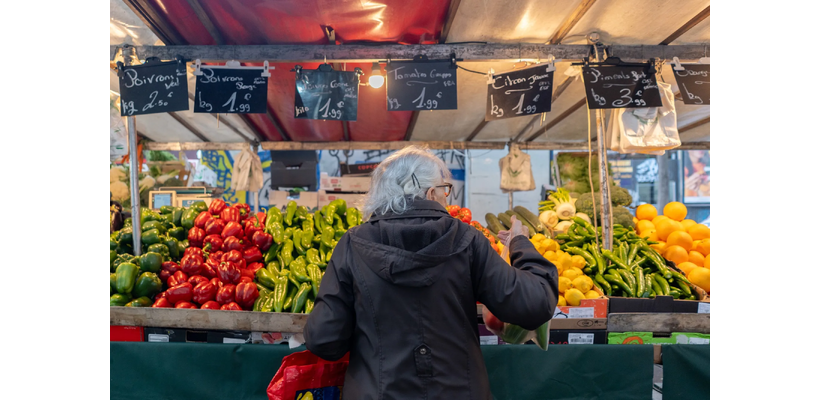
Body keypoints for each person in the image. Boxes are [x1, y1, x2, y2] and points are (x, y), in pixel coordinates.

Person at [304, 145, 559, 400]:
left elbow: (324, 339)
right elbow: (534, 304)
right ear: (431, 193)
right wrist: (520, 243)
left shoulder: (353, 243)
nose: (447, 198)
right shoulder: (467, 239)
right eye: (445, 190)